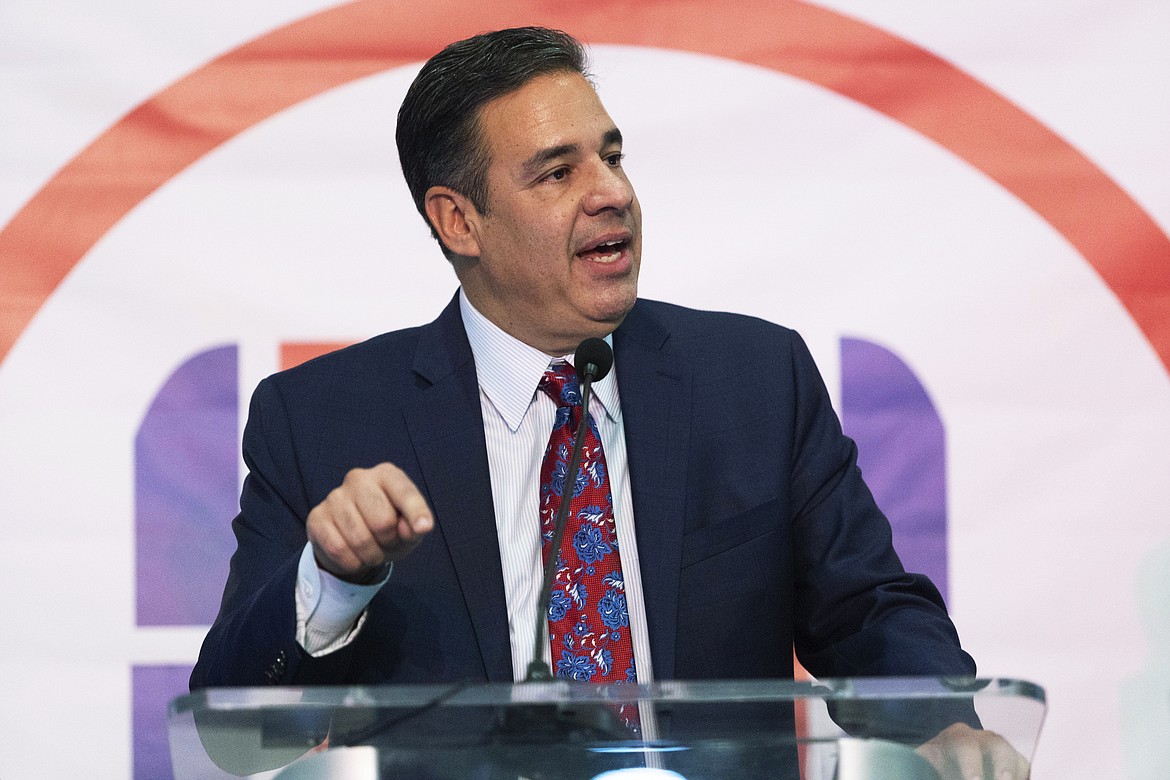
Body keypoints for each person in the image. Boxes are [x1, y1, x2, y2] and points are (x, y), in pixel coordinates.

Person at [191, 26, 1028, 778]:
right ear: (459, 221)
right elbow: (234, 735)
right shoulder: (321, 420)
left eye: (613, 156)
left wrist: (938, 724)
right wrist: (331, 579)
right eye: (558, 172)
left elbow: (869, 609)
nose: (611, 193)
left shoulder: (753, 381)